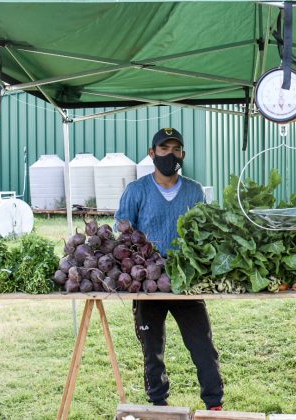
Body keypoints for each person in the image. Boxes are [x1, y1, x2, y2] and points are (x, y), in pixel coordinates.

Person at [115, 127, 224, 410]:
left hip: (185, 280)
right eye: (164, 149)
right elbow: (123, 232)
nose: (170, 154)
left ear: (183, 155)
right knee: (152, 350)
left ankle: (215, 405)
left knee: (203, 346)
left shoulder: (194, 191)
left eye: (175, 150)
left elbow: (204, 233)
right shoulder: (136, 190)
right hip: (147, 282)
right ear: (152, 154)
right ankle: (159, 407)